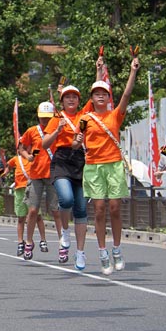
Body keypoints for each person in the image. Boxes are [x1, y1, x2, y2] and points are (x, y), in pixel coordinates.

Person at [79, 56, 140, 275]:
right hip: (93, 166)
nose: (101, 96)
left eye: (104, 94)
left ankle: (116, 249)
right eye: (97, 94)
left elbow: (126, 94)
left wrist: (132, 71)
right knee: (99, 210)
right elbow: (78, 137)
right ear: (92, 98)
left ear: (108, 97)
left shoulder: (115, 115)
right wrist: (77, 141)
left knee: (114, 208)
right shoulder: (85, 118)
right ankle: (102, 252)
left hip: (113, 164)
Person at [42, 79, 95, 272]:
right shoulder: (57, 118)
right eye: (67, 97)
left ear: (79, 101)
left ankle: (80, 252)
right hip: (62, 159)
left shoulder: (84, 115)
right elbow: (44, 144)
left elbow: (96, 91)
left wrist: (99, 67)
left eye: (74, 97)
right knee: (66, 199)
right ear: (62, 101)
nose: (71, 100)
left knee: (81, 209)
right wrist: (58, 130)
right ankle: (64, 232)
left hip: (81, 160)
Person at [18, 101, 67, 262]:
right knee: (32, 210)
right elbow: (21, 147)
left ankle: (62, 244)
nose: (45, 121)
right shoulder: (32, 131)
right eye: (42, 118)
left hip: (54, 174)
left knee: (56, 211)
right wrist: (28, 156)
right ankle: (29, 241)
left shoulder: (59, 130)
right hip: (36, 175)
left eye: (48, 118)